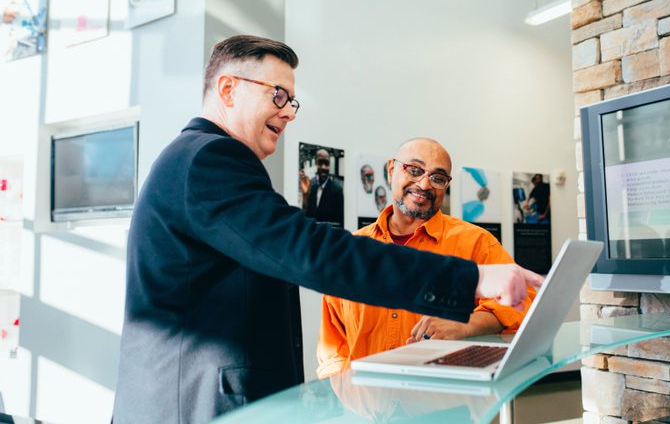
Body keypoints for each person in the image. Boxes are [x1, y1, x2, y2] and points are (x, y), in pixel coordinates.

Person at [112, 35, 543, 424]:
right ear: (228, 89)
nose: (288, 112)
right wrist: (474, 277)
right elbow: (311, 253)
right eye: (278, 95)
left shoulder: (196, 160)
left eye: (292, 101)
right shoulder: (209, 160)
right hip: (195, 406)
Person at [316, 139, 536, 378]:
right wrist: (346, 398)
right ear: (391, 170)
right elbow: (332, 345)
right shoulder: (353, 251)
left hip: (445, 404)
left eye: (438, 178)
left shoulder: (476, 242)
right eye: (414, 170)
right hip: (367, 407)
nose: (424, 184)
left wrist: (465, 324)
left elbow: (523, 304)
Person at [299, 148, 344, 226]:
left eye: (326, 163)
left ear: (329, 166)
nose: (323, 167)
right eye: (320, 163)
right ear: (316, 164)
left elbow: (340, 223)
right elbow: (308, 216)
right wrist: (305, 195)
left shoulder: (337, 191)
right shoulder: (313, 188)